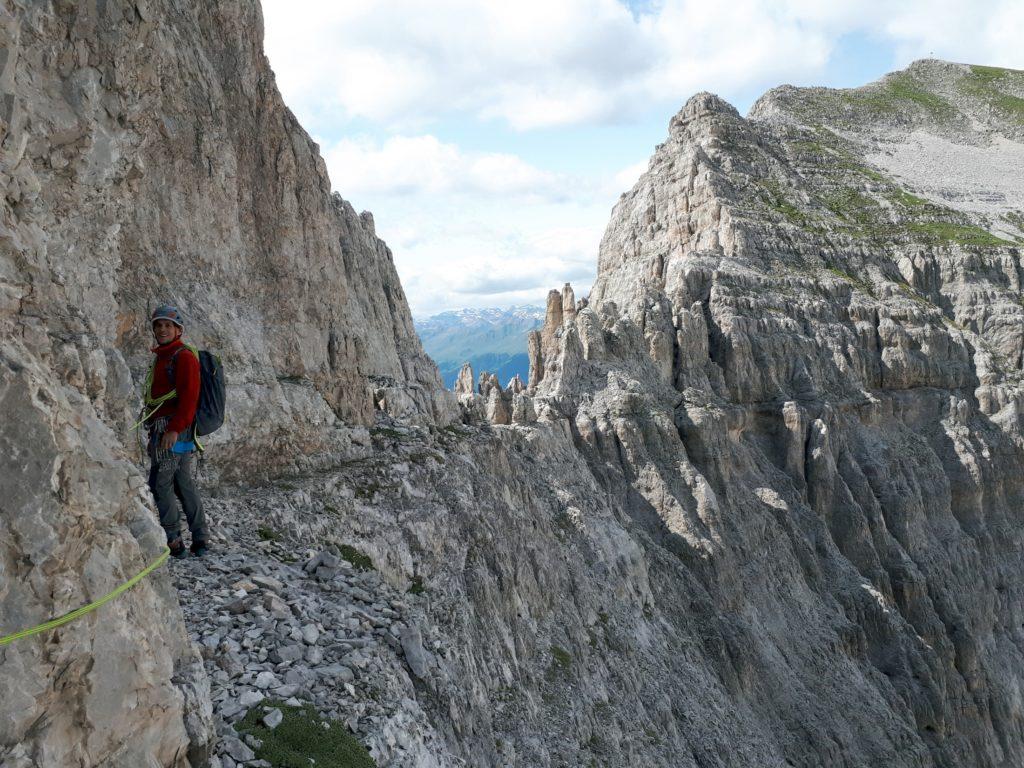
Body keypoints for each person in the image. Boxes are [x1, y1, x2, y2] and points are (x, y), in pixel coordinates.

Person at [144, 305, 209, 558]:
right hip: (172, 428)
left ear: (178, 329)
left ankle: (174, 540)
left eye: (167, 325)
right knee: (183, 483)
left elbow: (189, 397)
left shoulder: (182, 357)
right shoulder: (165, 356)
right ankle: (201, 539)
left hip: (171, 428)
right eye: (158, 325)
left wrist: (173, 429)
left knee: (160, 483)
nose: (162, 329)